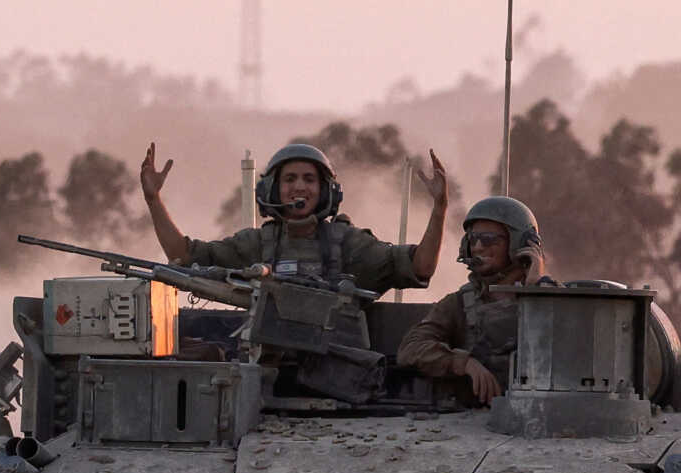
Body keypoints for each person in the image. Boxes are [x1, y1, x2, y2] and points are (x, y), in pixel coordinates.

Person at [138, 141, 446, 296]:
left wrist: (439, 208)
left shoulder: (349, 245)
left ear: (325, 191)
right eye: (290, 179)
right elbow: (183, 256)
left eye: (310, 179)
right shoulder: (255, 245)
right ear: (273, 188)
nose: (300, 187)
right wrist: (154, 200)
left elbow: (421, 266)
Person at [398, 195, 550, 403]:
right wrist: (463, 362)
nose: (477, 247)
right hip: (476, 422)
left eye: (488, 239)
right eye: (472, 240)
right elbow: (411, 349)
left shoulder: (556, 300)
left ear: (518, 243)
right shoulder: (459, 304)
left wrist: (537, 292)